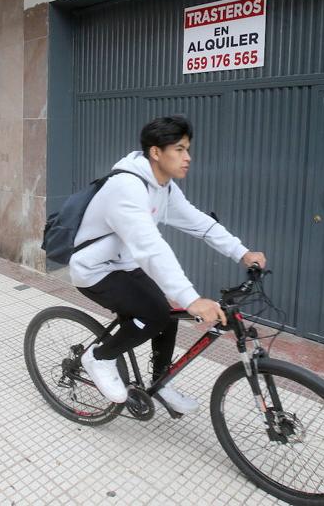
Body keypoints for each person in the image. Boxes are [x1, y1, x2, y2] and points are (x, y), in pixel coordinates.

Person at [71, 115, 266, 414]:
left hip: (125, 264)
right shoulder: (126, 187)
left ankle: (160, 383)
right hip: (95, 270)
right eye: (179, 149)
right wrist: (193, 298)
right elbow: (150, 247)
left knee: (168, 313)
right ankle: (99, 357)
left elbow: (198, 222)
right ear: (155, 152)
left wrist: (241, 252)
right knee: (154, 314)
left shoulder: (164, 187)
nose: (188, 157)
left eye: (188, 148)